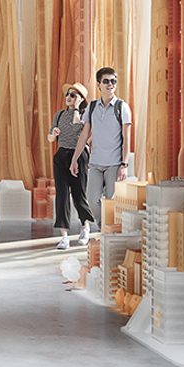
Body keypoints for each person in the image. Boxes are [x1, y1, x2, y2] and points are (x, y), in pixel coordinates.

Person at [75, 67, 131, 237]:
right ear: (99, 84)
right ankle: (103, 227)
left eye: (113, 81)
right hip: (96, 162)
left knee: (112, 202)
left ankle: (108, 234)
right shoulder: (92, 107)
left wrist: (124, 164)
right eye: (106, 81)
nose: (110, 84)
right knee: (92, 201)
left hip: (114, 163)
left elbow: (127, 138)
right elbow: (84, 134)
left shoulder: (122, 107)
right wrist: (74, 159)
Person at [48, 82, 93, 248]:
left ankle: (85, 227)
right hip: (61, 155)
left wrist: (76, 109)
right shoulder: (59, 115)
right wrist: (53, 134)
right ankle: (64, 236)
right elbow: (50, 138)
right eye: (67, 94)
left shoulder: (85, 116)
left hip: (79, 156)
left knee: (79, 194)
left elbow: (78, 130)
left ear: (81, 99)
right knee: (62, 196)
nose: (68, 98)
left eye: (73, 95)